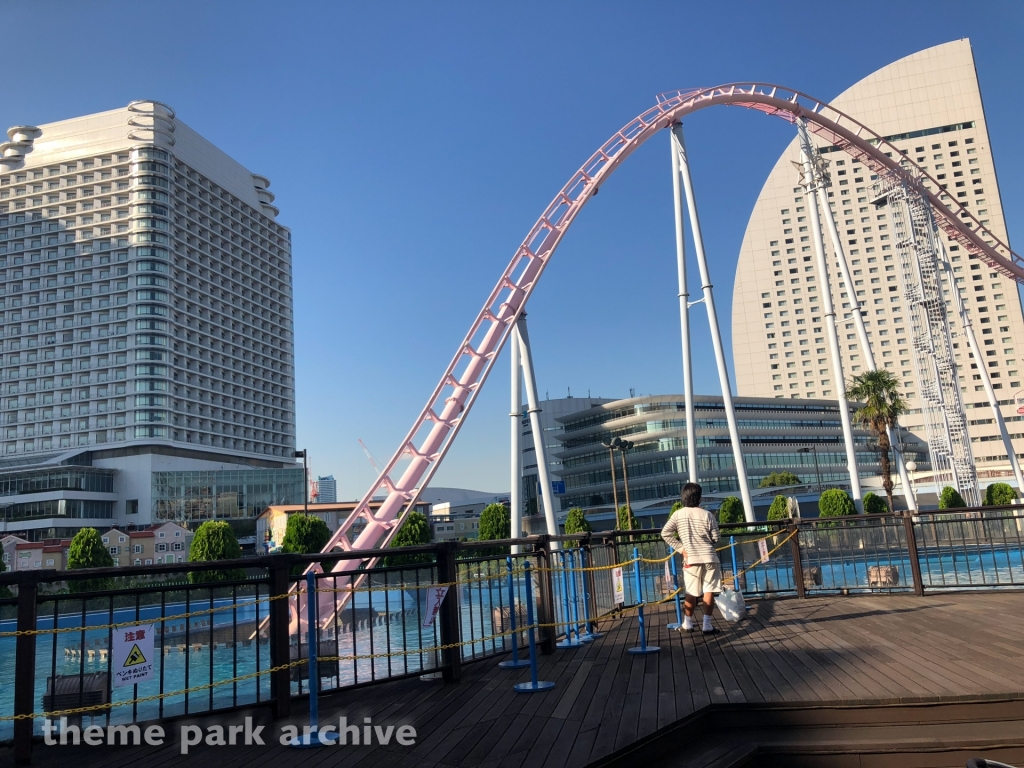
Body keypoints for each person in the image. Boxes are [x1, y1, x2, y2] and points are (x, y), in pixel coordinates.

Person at [661, 482, 721, 633]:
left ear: (684, 498)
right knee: (709, 590)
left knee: (691, 592)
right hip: (709, 557)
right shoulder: (707, 514)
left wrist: (681, 548)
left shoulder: (678, 514)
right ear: (699, 498)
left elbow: (665, 533)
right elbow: (716, 538)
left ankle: (687, 623)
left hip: (690, 559)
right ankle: (707, 625)